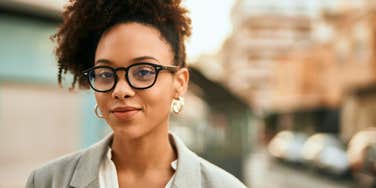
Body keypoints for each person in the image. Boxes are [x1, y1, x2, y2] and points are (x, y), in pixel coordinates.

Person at [25, 0, 247, 187]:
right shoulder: (47, 181)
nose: (120, 90)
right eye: (105, 74)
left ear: (180, 83)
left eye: (143, 72)